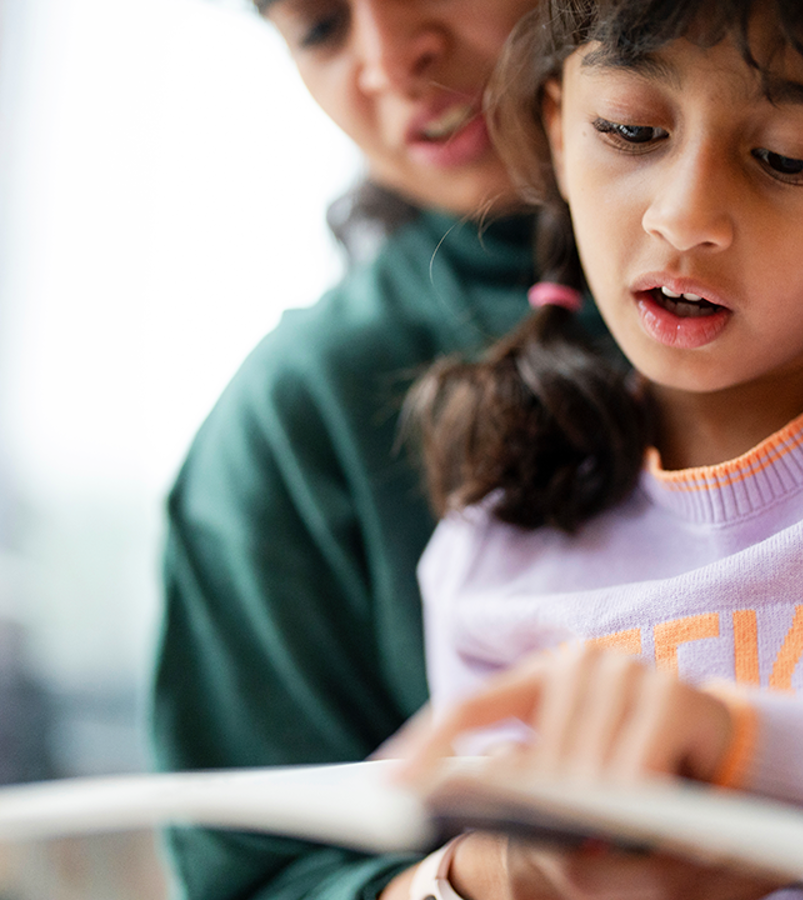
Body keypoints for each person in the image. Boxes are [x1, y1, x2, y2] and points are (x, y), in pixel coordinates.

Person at [395, 1, 803, 898]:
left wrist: (754, 760)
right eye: (630, 130)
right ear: (558, 130)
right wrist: (502, 876)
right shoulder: (499, 539)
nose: (684, 216)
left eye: (789, 160)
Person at [148, 2, 619, 900]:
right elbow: (252, 875)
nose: (390, 60)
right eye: (322, 26)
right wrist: (487, 880)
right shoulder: (296, 418)